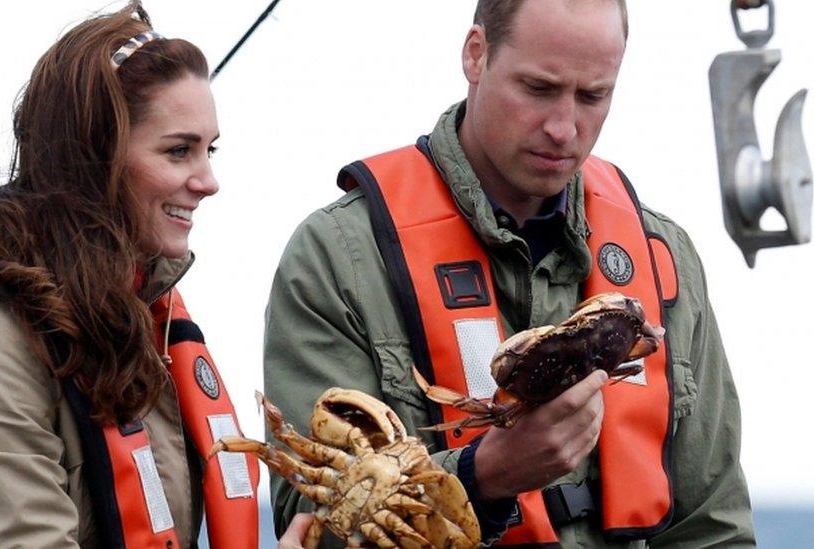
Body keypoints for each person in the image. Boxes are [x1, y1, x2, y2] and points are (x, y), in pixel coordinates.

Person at [264, 0, 755, 546]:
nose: (564, 128)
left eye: (593, 95)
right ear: (476, 55)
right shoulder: (340, 257)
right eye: (539, 89)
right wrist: (482, 476)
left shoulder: (665, 258)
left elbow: (714, 527)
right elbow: (311, 523)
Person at [0, 2, 310, 547]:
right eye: (179, 151)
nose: (208, 180)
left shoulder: (144, 322)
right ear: (93, 159)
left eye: (209, 150)